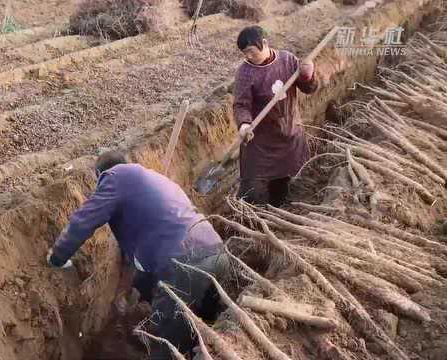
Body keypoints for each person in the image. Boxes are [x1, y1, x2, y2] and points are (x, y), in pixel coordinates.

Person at [46, 150, 226, 359]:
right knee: (209, 336)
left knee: (165, 347)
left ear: (100, 174)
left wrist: (58, 257)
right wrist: (127, 291)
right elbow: (136, 262)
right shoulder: (154, 180)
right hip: (217, 253)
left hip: (183, 263)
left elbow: (85, 220)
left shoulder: (115, 176)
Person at [233, 25, 319, 206]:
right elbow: (241, 104)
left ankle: (282, 211)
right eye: (245, 53)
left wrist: (307, 75)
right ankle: (252, 219)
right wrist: (244, 125)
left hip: (289, 133)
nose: (248, 56)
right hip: (261, 140)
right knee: (252, 190)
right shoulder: (245, 73)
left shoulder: (287, 60)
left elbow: (309, 89)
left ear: (264, 43)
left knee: (286, 183)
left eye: (251, 52)